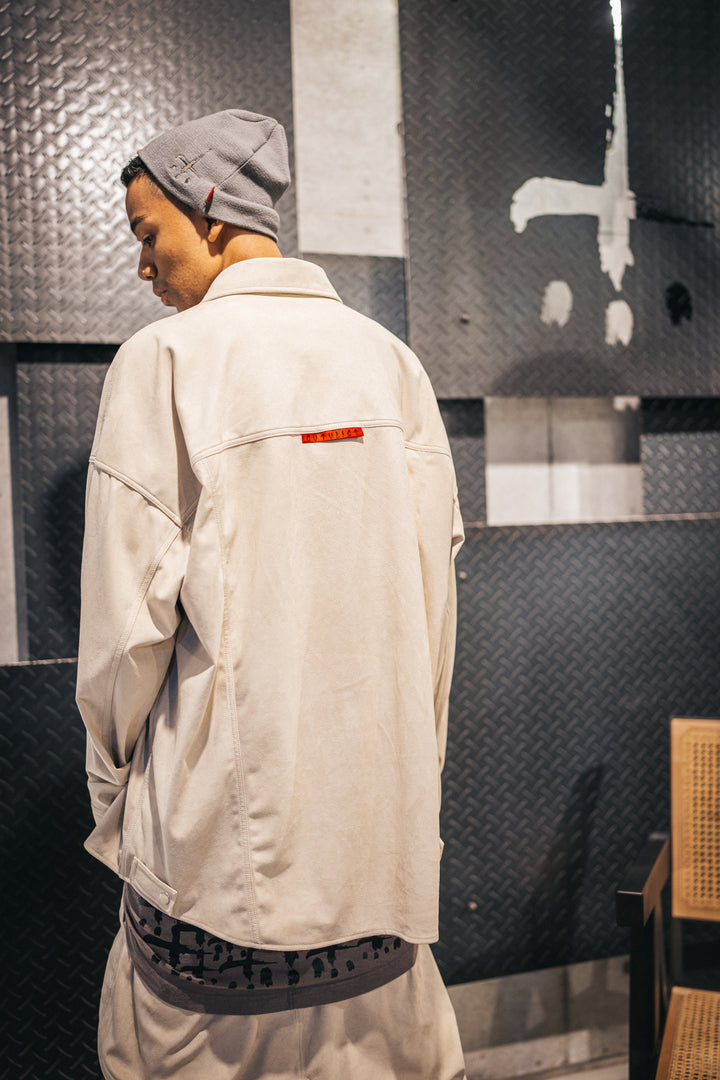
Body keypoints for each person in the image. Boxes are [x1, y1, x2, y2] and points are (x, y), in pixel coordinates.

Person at [76, 108, 466, 1080]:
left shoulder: (163, 362)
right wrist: (411, 791)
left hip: (212, 895)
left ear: (210, 212)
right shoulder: (393, 365)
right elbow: (433, 625)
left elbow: (123, 644)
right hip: (379, 889)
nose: (143, 265)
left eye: (147, 232)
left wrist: (118, 802)